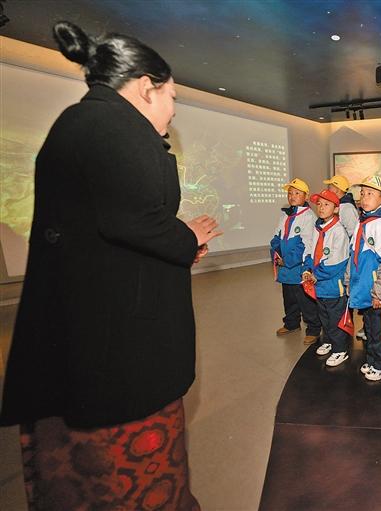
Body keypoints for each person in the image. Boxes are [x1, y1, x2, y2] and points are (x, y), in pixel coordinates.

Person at [0, 21, 220, 510]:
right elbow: (137, 220)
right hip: (115, 349)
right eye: (172, 97)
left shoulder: (87, 122)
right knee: (124, 479)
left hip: (91, 331)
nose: (173, 110)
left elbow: (117, 227)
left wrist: (181, 242)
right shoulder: (115, 128)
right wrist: (188, 235)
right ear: (145, 87)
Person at [347, 175, 381, 381]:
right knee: (370, 329)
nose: (364, 197)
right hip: (365, 289)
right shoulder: (364, 221)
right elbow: (354, 255)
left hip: (378, 292)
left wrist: (380, 292)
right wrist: (350, 282)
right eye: (362, 193)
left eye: (370, 193)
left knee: (380, 331)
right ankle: (372, 360)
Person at [302, 189, 351, 367]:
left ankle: (340, 350)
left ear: (336, 208)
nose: (321, 208)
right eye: (319, 204)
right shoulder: (318, 228)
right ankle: (329, 341)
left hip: (333, 286)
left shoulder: (338, 232)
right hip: (319, 285)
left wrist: (316, 275)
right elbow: (311, 251)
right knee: (324, 316)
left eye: (326, 204)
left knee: (335, 318)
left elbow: (335, 263)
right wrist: (307, 269)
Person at [271, 177, 322, 344]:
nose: (292, 196)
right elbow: (277, 237)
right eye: (290, 193)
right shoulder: (285, 214)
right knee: (289, 298)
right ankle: (291, 323)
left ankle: (313, 329)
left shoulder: (308, 216)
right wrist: (277, 254)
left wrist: (287, 260)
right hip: (285, 267)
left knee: (305, 300)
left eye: (297, 193)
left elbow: (306, 244)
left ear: (306, 196)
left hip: (299, 267)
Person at [323, 174, 359, 238]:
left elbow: (352, 234)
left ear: (337, 190)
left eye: (330, 187)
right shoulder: (339, 205)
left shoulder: (347, 208)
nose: (328, 190)